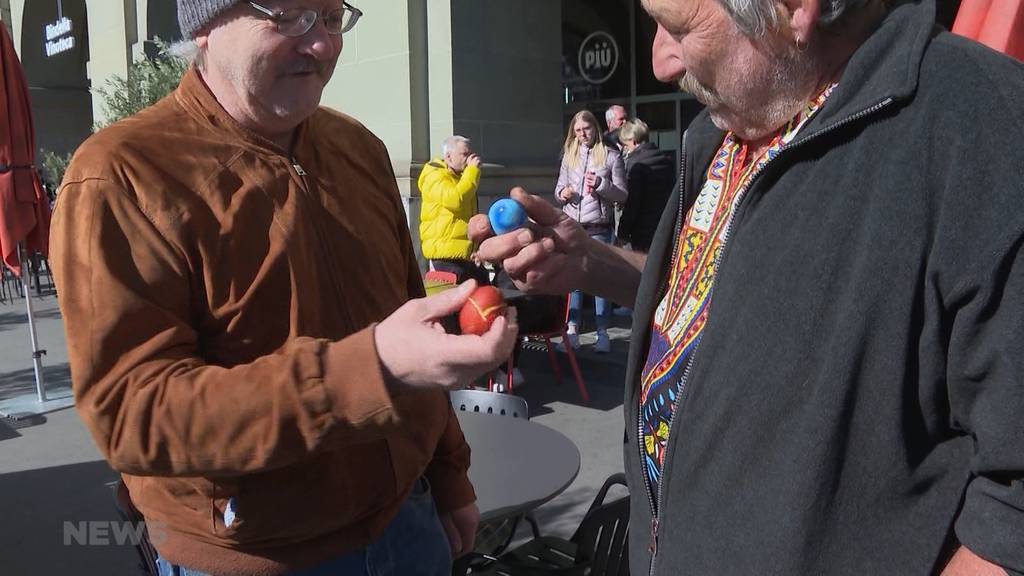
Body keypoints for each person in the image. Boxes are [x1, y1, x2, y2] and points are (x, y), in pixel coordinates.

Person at [471, 0, 1024, 573]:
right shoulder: (715, 135)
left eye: (679, 29)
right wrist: (590, 263)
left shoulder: (986, 132)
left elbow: (1012, 521)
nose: (660, 61)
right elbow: (719, 303)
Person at [49, 2, 518, 575]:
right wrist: (371, 368)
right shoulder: (122, 174)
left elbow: (407, 323)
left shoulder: (359, 149)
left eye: (329, 16)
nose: (321, 44)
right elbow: (133, 415)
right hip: (257, 557)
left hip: (409, 521)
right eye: (290, 15)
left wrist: (448, 474)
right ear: (204, 27)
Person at [554, 110, 627, 353]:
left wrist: (601, 185)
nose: (582, 134)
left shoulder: (611, 156)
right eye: (577, 131)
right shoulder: (569, 157)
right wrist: (563, 194)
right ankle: (572, 330)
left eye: (586, 129)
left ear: (595, 128)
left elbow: (622, 195)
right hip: (573, 225)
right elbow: (558, 190)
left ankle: (602, 333)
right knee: (574, 279)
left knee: (598, 280)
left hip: (599, 226)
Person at [418, 135, 488, 285]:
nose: (469, 158)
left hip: (465, 255)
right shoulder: (434, 176)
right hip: (445, 257)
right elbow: (455, 200)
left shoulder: (462, 178)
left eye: (470, 154)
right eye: (464, 154)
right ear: (448, 156)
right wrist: (472, 172)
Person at [616, 119, 675, 253]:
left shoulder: (636, 164)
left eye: (625, 145)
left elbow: (633, 202)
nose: (625, 149)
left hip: (643, 229)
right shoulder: (666, 159)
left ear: (633, 141)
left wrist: (623, 232)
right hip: (664, 225)